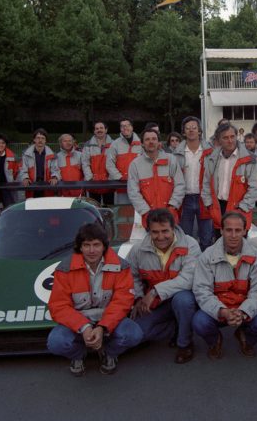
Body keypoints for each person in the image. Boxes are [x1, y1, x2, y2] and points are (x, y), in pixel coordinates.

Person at [47, 223, 143, 376]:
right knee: (56, 342)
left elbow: (123, 302)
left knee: (133, 334)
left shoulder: (121, 266)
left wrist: (103, 327)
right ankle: (78, 355)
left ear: (104, 246)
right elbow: (58, 306)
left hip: (108, 318)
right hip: (79, 320)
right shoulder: (64, 268)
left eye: (96, 245)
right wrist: (84, 327)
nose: (92, 250)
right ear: (80, 247)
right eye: (87, 245)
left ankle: (108, 352)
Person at [192, 211, 257, 359]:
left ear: (244, 231)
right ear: (221, 231)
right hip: (219, 309)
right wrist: (222, 311)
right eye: (229, 230)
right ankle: (215, 340)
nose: (233, 235)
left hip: (244, 309)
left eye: (238, 230)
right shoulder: (206, 256)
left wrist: (243, 312)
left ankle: (245, 336)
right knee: (199, 322)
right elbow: (202, 291)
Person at [127, 208, 200, 363]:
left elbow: (188, 279)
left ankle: (185, 343)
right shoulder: (138, 250)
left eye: (165, 231)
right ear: (148, 231)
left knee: (183, 300)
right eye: (155, 232)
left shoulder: (190, 244)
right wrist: (138, 298)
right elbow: (131, 277)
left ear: (173, 228)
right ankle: (175, 327)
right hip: (155, 303)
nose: (160, 237)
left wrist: (155, 291)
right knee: (136, 333)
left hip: (180, 298)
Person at [201, 123, 257, 235]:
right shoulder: (212, 158)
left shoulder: (249, 159)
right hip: (218, 209)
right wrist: (209, 204)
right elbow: (206, 183)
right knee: (219, 243)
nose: (230, 141)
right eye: (225, 138)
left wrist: (243, 207)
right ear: (219, 140)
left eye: (232, 136)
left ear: (236, 137)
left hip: (240, 209)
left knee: (238, 244)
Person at [127, 128, 184, 228]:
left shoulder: (171, 160)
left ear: (159, 142)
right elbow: (133, 192)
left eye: (154, 139)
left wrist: (172, 207)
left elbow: (180, 185)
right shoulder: (135, 164)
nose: (151, 142)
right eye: (147, 139)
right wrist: (146, 212)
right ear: (142, 144)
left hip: (170, 216)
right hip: (148, 218)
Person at [173, 116, 214, 250]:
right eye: (187, 128)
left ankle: (206, 261)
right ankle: (188, 261)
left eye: (194, 128)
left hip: (205, 198)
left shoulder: (210, 152)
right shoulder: (177, 153)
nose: (191, 130)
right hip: (185, 199)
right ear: (183, 132)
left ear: (199, 131)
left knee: (207, 237)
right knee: (185, 237)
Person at [106, 117, 142, 204]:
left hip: (139, 185)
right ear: (120, 129)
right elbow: (109, 164)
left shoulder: (141, 143)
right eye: (122, 126)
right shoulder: (115, 144)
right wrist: (119, 177)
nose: (125, 128)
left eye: (127, 125)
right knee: (122, 209)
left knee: (137, 210)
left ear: (132, 127)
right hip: (121, 185)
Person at [18, 128, 59, 198]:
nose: (40, 140)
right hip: (31, 187)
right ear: (34, 139)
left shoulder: (52, 155)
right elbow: (23, 169)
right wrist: (25, 178)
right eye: (38, 138)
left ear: (45, 140)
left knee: (47, 204)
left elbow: (55, 169)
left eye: (43, 138)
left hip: (47, 187)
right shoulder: (26, 154)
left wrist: (54, 177)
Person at [81, 121, 114, 204]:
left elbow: (116, 162)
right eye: (97, 128)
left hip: (109, 182)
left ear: (106, 130)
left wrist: (111, 178)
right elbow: (85, 163)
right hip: (93, 183)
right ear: (94, 131)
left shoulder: (114, 144)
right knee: (94, 207)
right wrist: (90, 178)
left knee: (109, 207)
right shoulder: (88, 145)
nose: (99, 130)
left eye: (101, 128)